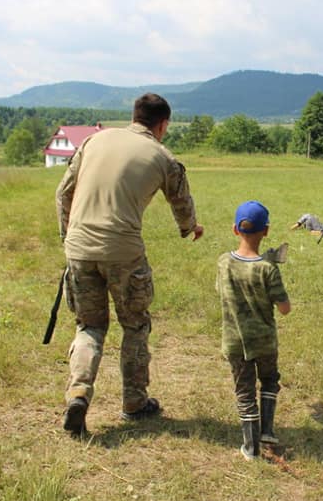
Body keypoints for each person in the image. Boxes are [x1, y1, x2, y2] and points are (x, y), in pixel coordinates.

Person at [55, 93, 204, 437]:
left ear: (134, 117)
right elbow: (181, 199)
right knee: (134, 325)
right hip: (124, 251)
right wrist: (189, 228)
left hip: (79, 249)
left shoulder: (94, 141)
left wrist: (69, 238)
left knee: (89, 327)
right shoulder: (163, 156)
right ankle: (134, 402)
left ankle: (78, 392)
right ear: (163, 124)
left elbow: (63, 193)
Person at [216, 201, 292, 460]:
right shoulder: (268, 269)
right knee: (269, 380)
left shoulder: (224, 262)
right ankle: (268, 430)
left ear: (235, 230)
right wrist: (272, 266)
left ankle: (250, 448)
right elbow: (284, 308)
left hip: (235, 342)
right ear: (266, 231)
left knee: (244, 391)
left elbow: (222, 291)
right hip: (265, 342)